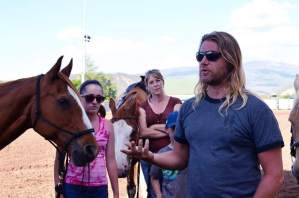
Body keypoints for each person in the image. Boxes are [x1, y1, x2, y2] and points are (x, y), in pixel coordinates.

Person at [122, 31, 284, 198]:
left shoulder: (256, 110)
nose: (203, 62)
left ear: (231, 61)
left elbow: (274, 175)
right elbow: (179, 158)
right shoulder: (188, 109)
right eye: (200, 56)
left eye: (212, 56)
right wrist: (151, 156)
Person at [54, 80, 119, 198]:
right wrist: (58, 188)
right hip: (72, 186)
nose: (95, 102)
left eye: (99, 99)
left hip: (99, 188)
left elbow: (111, 160)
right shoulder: (70, 124)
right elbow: (59, 158)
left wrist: (116, 193)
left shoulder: (108, 126)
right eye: (90, 98)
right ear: (80, 97)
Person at [139, 69, 182, 198]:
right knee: (153, 192)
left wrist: (153, 126)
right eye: (151, 82)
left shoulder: (176, 102)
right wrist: (168, 131)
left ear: (163, 82)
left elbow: (177, 127)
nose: (155, 84)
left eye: (158, 80)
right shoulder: (142, 106)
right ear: (147, 86)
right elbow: (143, 131)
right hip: (149, 155)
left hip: (171, 153)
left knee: (173, 189)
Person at [150, 111, 187, 198]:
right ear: (167, 129)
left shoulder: (191, 152)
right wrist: (159, 194)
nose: (178, 132)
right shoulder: (162, 153)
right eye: (174, 128)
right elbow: (154, 177)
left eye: (181, 128)